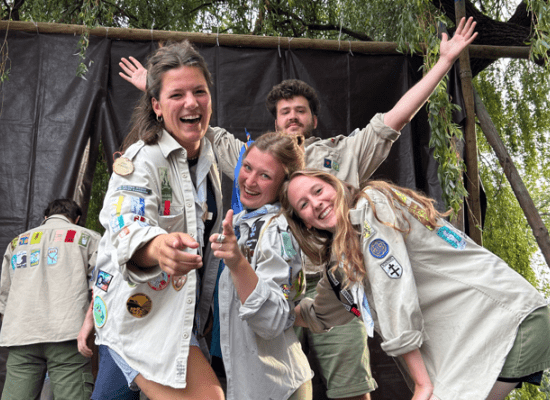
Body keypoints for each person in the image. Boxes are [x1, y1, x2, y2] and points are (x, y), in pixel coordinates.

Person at [118, 17, 477, 400]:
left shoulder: (340, 156)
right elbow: (197, 125)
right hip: (270, 293)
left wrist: (442, 63)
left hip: (330, 291)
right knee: (274, 386)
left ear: (313, 119)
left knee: (351, 388)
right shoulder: (251, 161)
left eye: (300, 111)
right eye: (285, 112)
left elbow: (396, 119)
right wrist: (156, 90)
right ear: (274, 121)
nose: (293, 117)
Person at [280, 169, 550, 400]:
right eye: (303, 204)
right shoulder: (340, 267)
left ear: (336, 185)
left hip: (506, 319)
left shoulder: (372, 204)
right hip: (481, 339)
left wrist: (422, 383)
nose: (315, 203)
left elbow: (392, 288)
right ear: (303, 222)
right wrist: (269, 310)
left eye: (318, 190)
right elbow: (318, 314)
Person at [90, 40, 224, 400]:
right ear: (157, 107)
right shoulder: (141, 159)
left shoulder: (209, 158)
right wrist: (157, 246)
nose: (191, 102)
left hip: (179, 319)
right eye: (176, 95)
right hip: (139, 320)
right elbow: (123, 224)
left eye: (199, 91)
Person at [208, 132, 313, 399]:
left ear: (284, 186)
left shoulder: (280, 230)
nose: (250, 181)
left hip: (280, 390)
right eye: (247, 167)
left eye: (265, 175)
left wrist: (236, 262)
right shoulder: (247, 222)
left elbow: (271, 321)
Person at [0, 199, 101, 399]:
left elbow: (3, 296)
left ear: (46, 218)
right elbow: (103, 288)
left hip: (22, 335)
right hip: (68, 335)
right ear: (77, 219)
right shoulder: (88, 238)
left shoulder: (17, 242)